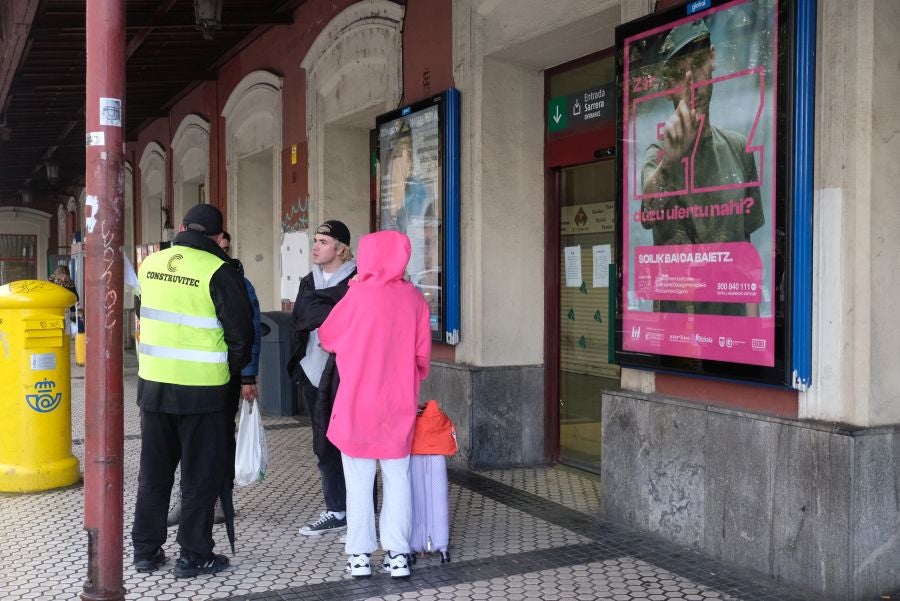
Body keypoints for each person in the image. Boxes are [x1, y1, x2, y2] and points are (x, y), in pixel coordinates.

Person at [131, 203, 253, 578]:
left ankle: (146, 551)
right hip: (203, 393)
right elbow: (242, 336)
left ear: (182, 227)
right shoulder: (219, 270)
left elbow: (141, 313)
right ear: (217, 237)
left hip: (154, 387)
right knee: (200, 478)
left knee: (153, 475)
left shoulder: (149, 265)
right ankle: (194, 555)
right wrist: (229, 374)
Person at [318, 230, 431, 579]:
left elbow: (327, 337)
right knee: (398, 480)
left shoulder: (355, 296)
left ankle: (360, 556)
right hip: (398, 403)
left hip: (357, 403)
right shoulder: (414, 298)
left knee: (358, 482)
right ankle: (398, 555)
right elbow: (422, 358)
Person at [640, 19, 764, 316]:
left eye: (696, 64)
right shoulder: (657, 155)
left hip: (730, 329)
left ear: (712, 58)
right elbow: (647, 213)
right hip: (679, 328)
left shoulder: (737, 148)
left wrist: (753, 328)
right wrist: (670, 162)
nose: (690, 80)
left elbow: (745, 252)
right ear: (667, 89)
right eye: (677, 74)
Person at [165, 230, 261, 528]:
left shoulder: (236, 280)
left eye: (226, 246)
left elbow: (250, 332)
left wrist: (247, 376)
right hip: (184, 377)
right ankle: (187, 500)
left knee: (220, 441)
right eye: (218, 244)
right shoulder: (184, 279)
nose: (221, 250)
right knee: (187, 443)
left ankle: (221, 500)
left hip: (223, 377)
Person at [288, 220, 357, 537]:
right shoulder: (308, 280)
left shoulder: (359, 279)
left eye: (323, 242)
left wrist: (322, 310)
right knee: (323, 443)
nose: (315, 246)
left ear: (341, 249)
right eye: (315, 240)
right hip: (314, 370)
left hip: (349, 373)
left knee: (353, 444)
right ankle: (336, 509)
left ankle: (359, 512)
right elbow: (302, 318)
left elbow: (354, 322)